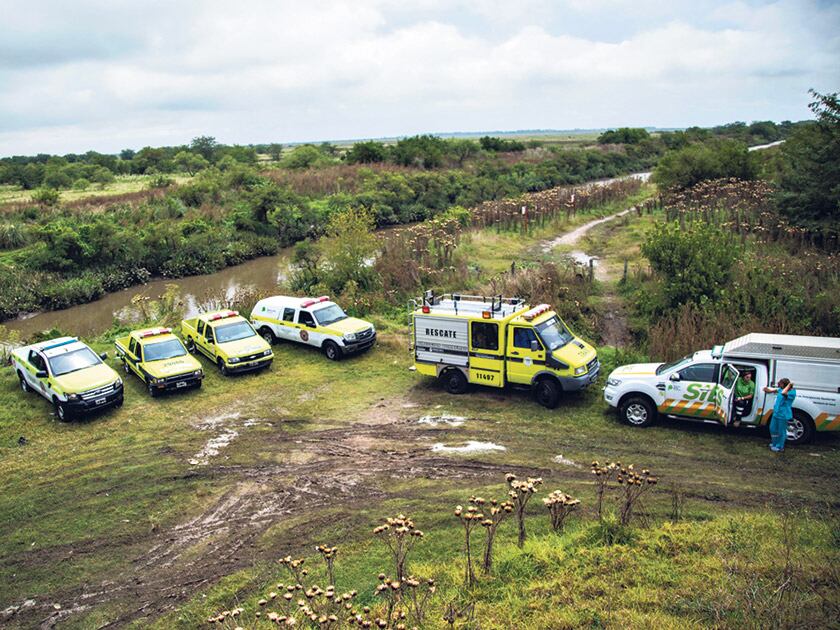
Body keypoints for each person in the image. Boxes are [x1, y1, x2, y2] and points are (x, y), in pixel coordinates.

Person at [763, 378, 796, 452]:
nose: (779, 384)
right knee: (773, 429)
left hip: (783, 415)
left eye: (780, 383)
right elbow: (773, 390)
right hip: (776, 413)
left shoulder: (792, 393)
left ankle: (780, 446)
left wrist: (790, 385)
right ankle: (774, 443)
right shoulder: (780, 389)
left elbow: (784, 393)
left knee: (781, 431)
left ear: (785, 385)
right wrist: (767, 389)